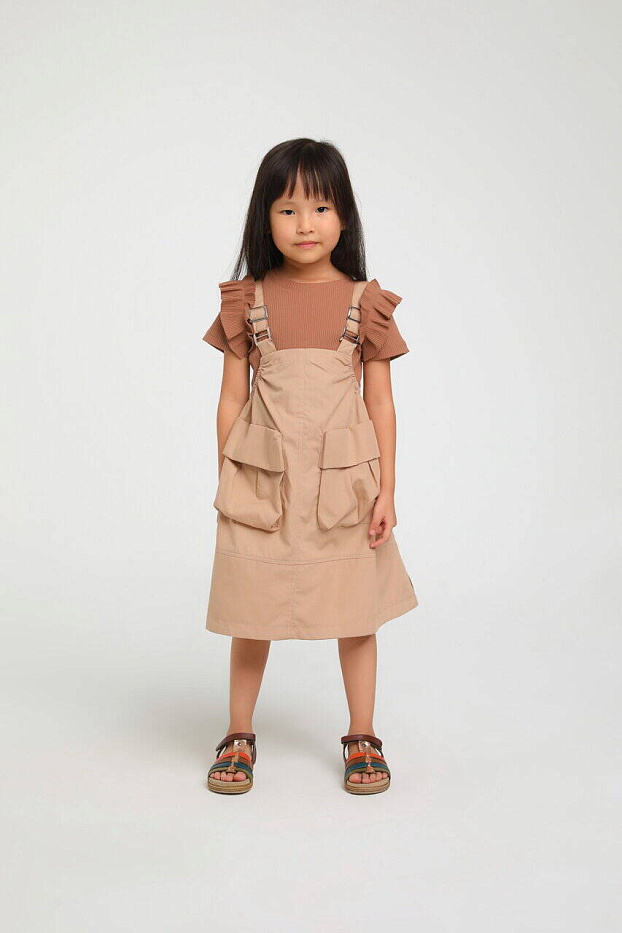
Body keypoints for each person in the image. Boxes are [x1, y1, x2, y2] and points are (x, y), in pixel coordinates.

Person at [201, 138, 418, 795]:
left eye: (321, 207)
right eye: (288, 208)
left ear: (344, 217)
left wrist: (387, 490)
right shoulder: (246, 298)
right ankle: (238, 732)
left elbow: (379, 402)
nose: (305, 223)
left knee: (356, 610)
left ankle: (362, 733)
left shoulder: (364, 301)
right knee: (252, 609)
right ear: (264, 218)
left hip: (344, 486)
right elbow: (231, 397)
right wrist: (228, 475)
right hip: (262, 483)